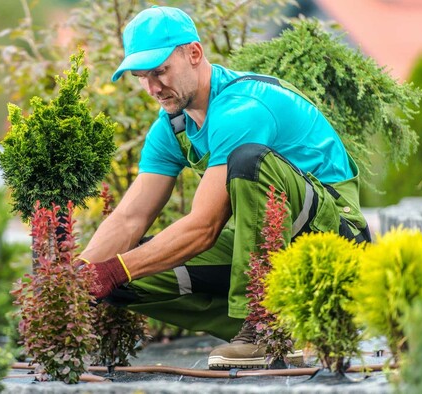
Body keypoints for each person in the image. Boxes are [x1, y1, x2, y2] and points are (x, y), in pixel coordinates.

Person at [77, 5, 370, 370]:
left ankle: (264, 329)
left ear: (194, 53)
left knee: (248, 160)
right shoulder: (172, 127)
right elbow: (129, 219)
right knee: (121, 280)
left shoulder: (242, 108)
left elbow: (204, 227)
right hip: (271, 248)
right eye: (141, 76)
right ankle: (288, 331)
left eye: (160, 71)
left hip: (336, 241)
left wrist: (117, 268)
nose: (152, 87)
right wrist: (77, 278)